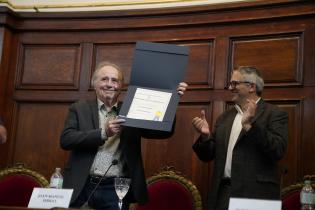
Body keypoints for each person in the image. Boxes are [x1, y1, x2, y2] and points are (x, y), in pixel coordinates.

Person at [60, 61, 187, 210]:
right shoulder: (79, 108)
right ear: (94, 83)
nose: (109, 84)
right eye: (104, 79)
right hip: (82, 185)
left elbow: (162, 132)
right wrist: (103, 133)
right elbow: (66, 139)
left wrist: (172, 100)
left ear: (121, 86)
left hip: (115, 188)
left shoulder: (134, 110)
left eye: (115, 80)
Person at [192, 66, 288, 210]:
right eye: (231, 84)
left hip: (256, 195)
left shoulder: (274, 114)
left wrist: (250, 126)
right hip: (223, 193)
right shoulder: (224, 117)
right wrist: (205, 137)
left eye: (235, 83)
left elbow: (277, 150)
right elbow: (208, 156)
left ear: (251, 87)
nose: (231, 88)